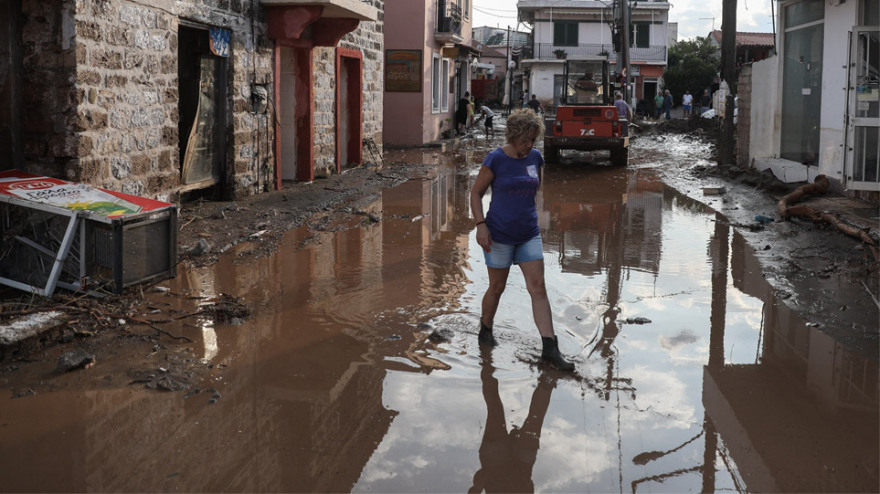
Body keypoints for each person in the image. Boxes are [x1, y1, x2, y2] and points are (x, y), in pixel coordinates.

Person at [469, 108, 575, 371]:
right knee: (497, 287)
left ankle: (550, 348)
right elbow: (475, 193)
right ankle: (486, 329)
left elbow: (534, 189)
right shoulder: (495, 159)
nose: (529, 145)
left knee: (538, 287)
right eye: (525, 140)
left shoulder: (536, 158)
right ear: (513, 136)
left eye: (533, 140)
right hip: (499, 234)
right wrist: (481, 226)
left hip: (529, 233)